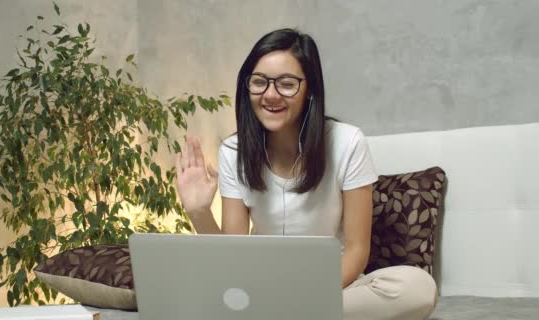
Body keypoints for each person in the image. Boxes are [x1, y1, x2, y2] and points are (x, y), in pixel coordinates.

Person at [175, 28, 437, 320]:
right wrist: (198, 211)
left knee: (418, 287)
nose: (271, 95)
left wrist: (308, 299)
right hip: (261, 286)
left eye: (287, 84)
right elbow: (232, 259)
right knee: (188, 293)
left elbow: (356, 250)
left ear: (309, 89)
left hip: (333, 285)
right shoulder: (232, 151)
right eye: (259, 82)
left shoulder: (347, 142)